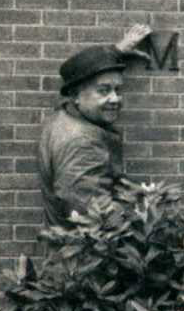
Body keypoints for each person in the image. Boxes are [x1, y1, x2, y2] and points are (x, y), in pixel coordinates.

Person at [37, 24, 152, 229]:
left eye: (118, 89)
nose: (115, 98)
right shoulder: (81, 144)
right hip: (88, 257)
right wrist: (146, 212)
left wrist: (115, 52)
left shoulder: (66, 116)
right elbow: (93, 216)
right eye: (104, 90)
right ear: (76, 96)